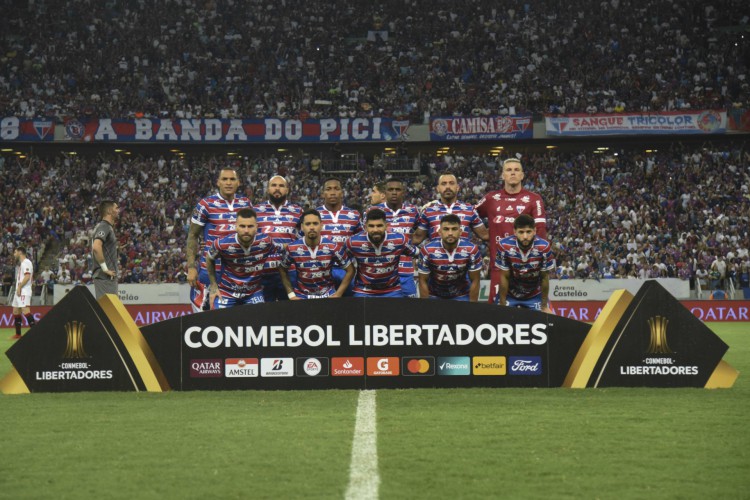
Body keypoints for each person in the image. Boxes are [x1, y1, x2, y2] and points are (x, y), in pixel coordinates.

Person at [476, 157, 547, 304]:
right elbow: (470, 215)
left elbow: (540, 231)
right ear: (503, 175)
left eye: (516, 170)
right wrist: (483, 233)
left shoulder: (534, 199)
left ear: (522, 175)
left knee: (534, 313)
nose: (513, 173)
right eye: (509, 170)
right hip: (499, 266)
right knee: (498, 314)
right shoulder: (491, 198)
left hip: (527, 268)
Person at [186, 167, 252, 312]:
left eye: (232, 179)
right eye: (224, 179)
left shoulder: (246, 203)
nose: (228, 183)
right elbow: (192, 236)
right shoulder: (205, 204)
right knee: (205, 321)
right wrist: (191, 267)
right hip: (209, 274)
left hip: (237, 274)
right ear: (218, 182)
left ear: (238, 183)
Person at [205, 208, 282, 309]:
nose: (246, 230)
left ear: (256, 227)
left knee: (260, 321)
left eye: (250, 226)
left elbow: (283, 248)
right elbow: (209, 258)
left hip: (253, 293)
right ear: (236, 227)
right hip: (227, 291)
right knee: (218, 321)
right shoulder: (222, 244)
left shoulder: (266, 241)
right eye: (242, 226)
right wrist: (214, 286)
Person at [279, 209, 354, 299]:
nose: (312, 227)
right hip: (302, 297)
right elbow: (282, 269)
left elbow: (350, 270)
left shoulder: (333, 247)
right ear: (302, 227)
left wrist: (338, 294)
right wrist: (291, 295)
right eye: (308, 224)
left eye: (315, 223)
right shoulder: (292, 248)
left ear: (321, 225)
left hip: (327, 295)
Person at [346, 208, 417, 297]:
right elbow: (342, 260)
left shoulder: (400, 240)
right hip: (363, 291)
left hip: (392, 290)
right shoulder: (353, 242)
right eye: (371, 226)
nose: (375, 230)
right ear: (365, 227)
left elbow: (418, 254)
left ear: (386, 226)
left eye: (379, 226)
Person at [254, 175, 302, 301]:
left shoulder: (298, 211)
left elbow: (303, 239)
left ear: (287, 190)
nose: (277, 188)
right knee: (263, 313)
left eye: (281, 186)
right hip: (263, 271)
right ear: (268, 189)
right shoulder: (256, 210)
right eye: (273, 185)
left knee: (288, 313)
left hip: (289, 271)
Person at [495, 214, 555, 312]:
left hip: (534, 295)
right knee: (498, 321)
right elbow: (504, 276)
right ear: (514, 232)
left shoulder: (544, 247)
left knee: (549, 321)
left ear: (534, 231)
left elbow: (544, 278)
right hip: (510, 295)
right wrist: (502, 304)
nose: (525, 236)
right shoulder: (504, 245)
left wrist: (544, 306)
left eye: (528, 232)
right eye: (521, 232)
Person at [373, 178, 420, 297]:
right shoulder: (373, 211)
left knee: (408, 311)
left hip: (406, 273)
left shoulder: (412, 211)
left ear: (403, 192)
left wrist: (414, 250)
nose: (394, 192)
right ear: (385, 193)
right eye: (390, 189)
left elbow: (421, 234)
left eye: (397, 189)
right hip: (381, 273)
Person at [417, 214, 482, 301]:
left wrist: (473, 307)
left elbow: (475, 280)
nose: (450, 233)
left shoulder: (472, 250)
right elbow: (422, 281)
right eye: (446, 229)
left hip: (461, 295)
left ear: (460, 231)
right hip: (434, 295)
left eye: (454, 229)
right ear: (439, 232)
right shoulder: (427, 250)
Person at [412, 173, 489, 244]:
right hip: (437, 258)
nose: (448, 187)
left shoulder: (469, 209)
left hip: (463, 258)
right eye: (444, 184)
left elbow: (485, 235)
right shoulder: (428, 211)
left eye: (451, 183)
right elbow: (416, 239)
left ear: (457, 187)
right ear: (438, 188)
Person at [316, 177, 362, 293]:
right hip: (321, 269)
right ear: (323, 193)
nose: (332, 192)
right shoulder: (314, 215)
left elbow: (361, 242)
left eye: (336, 189)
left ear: (342, 193)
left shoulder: (354, 215)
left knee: (350, 306)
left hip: (347, 270)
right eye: (329, 189)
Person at [91, 200, 120, 299]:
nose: (118, 210)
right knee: (107, 312)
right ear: (109, 211)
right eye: (116, 208)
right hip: (105, 278)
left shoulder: (106, 227)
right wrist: (105, 269)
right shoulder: (104, 226)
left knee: (109, 311)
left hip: (107, 278)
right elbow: (96, 247)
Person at [10, 246, 36, 339]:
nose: (14, 254)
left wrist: (20, 287)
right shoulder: (22, 263)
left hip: (24, 291)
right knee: (16, 311)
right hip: (19, 291)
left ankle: (36, 333)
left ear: (20, 252)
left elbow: (27, 276)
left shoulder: (26, 262)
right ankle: (18, 334)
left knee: (25, 310)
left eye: (15, 252)